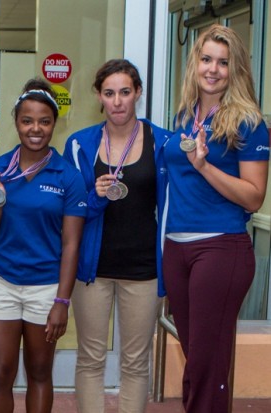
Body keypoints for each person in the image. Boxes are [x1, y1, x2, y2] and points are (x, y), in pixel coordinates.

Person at [162, 24, 269, 413]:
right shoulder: (184, 115)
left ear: (235, 69)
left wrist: (205, 166)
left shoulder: (248, 121)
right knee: (198, 359)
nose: (213, 69)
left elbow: (254, 196)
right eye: (206, 59)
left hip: (221, 248)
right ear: (194, 63)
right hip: (178, 249)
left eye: (223, 63)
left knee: (207, 364)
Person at [63, 59, 171, 413]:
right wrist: (93, 195)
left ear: (138, 93)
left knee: (135, 362)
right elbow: (73, 210)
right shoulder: (80, 145)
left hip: (143, 270)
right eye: (109, 93)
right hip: (93, 269)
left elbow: (175, 204)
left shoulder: (162, 143)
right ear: (99, 96)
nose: (118, 101)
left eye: (125, 92)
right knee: (91, 358)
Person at [0, 78, 87, 413]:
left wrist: (62, 301)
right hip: (2, 283)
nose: (35, 128)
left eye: (44, 121)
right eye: (27, 120)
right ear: (16, 123)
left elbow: (71, 244)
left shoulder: (68, 176)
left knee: (39, 372)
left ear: (54, 123)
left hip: (46, 288)